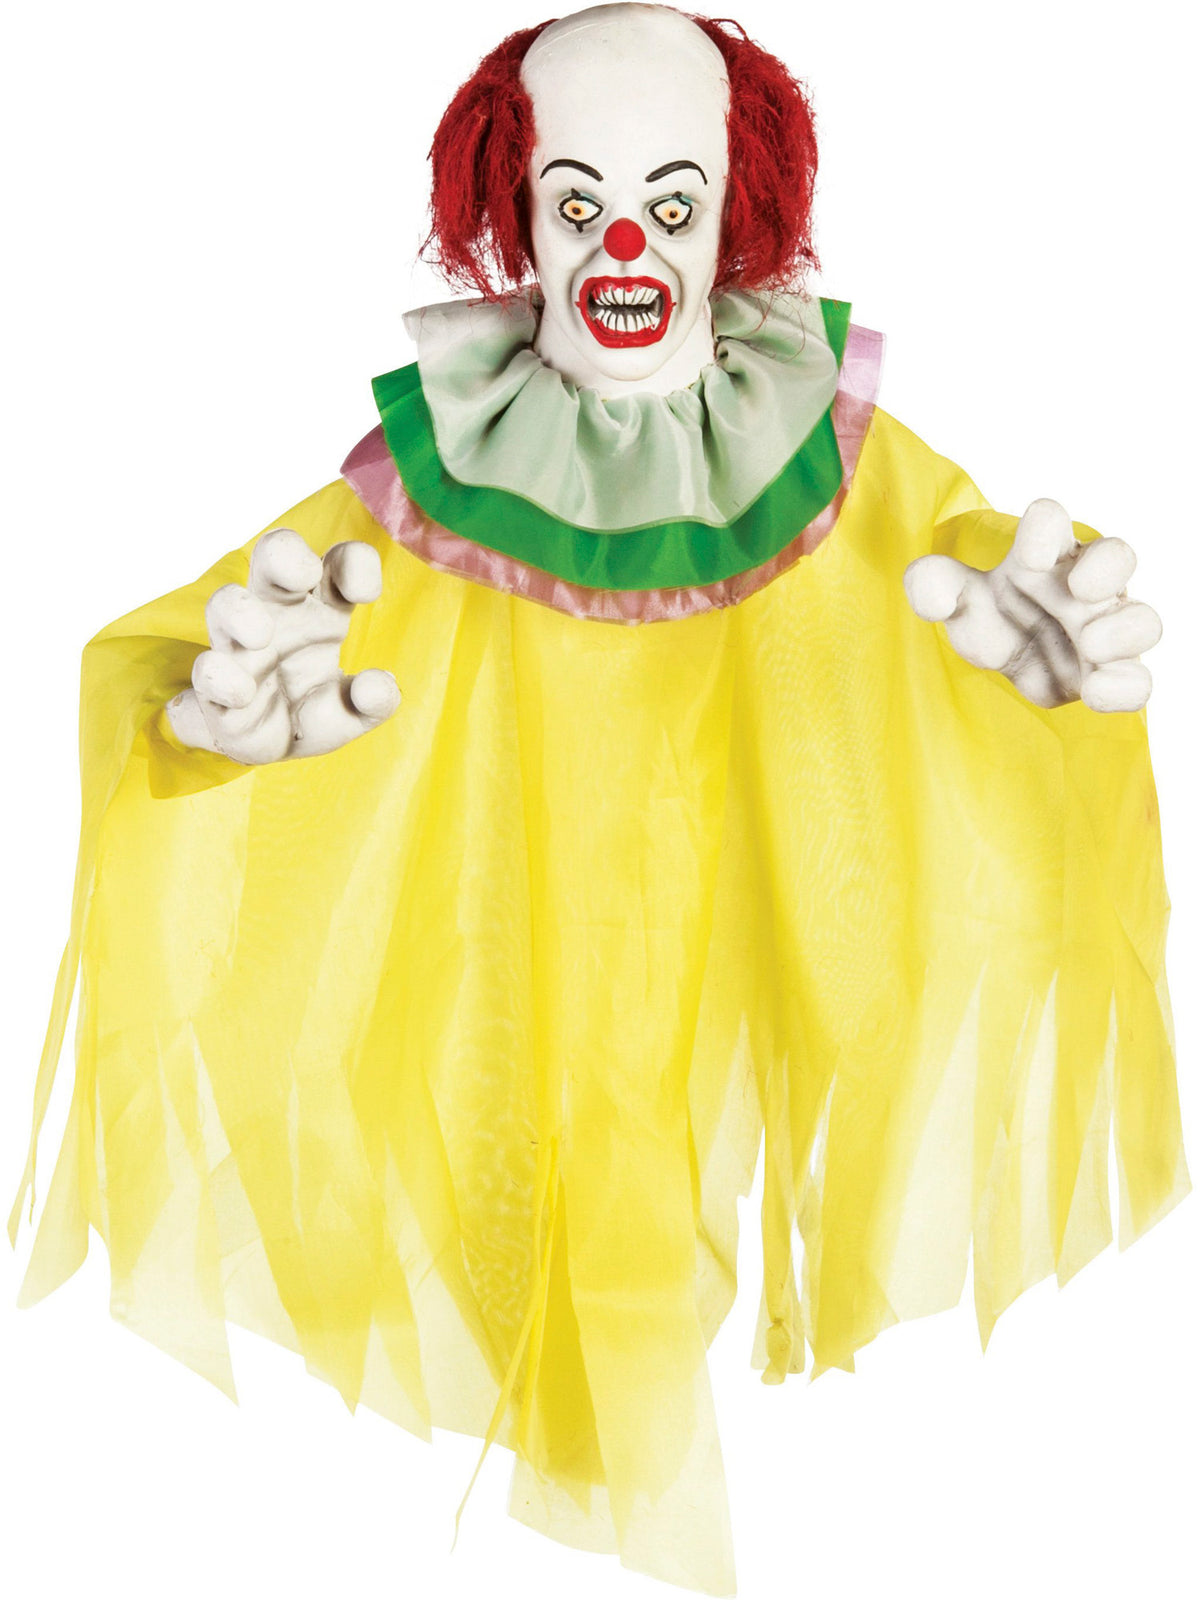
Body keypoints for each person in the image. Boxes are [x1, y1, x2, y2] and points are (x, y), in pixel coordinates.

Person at [9, 7, 1188, 1595]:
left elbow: (955, 584)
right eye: (580, 204)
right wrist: (210, 726)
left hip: (760, 925)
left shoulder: (828, 454)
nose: (625, 243)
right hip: (514, 963)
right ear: (517, 208)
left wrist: (1044, 692)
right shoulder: (442, 475)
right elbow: (196, 655)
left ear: (732, 205)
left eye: (668, 203)